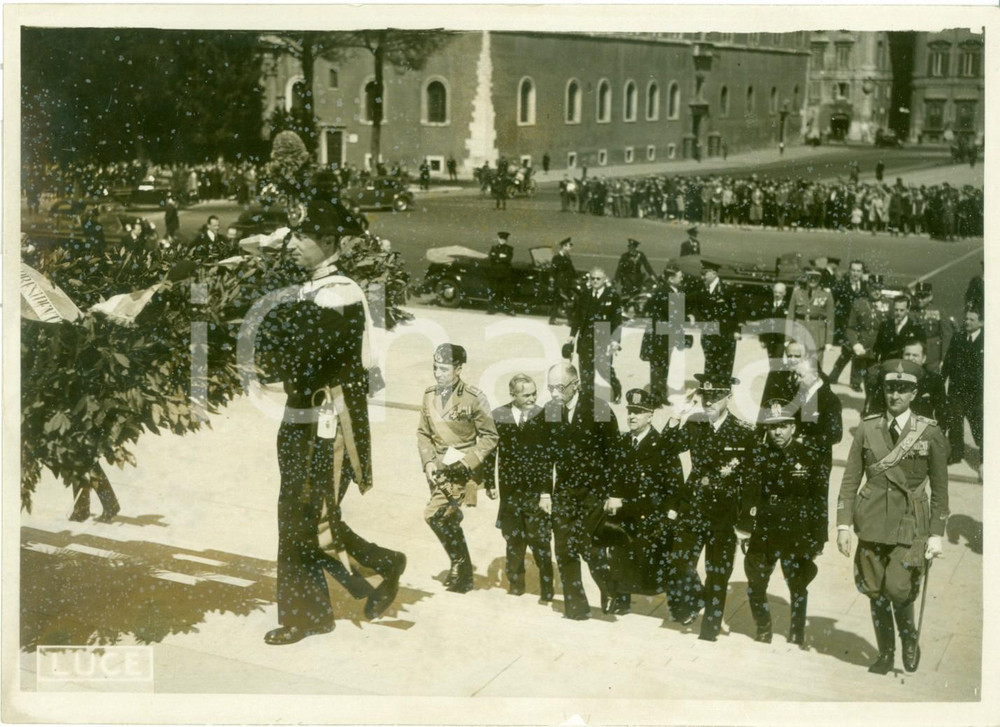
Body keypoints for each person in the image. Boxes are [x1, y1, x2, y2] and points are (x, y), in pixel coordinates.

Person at [259, 261, 406, 645]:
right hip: (302, 412)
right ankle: (380, 566)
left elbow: (311, 358)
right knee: (299, 516)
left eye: (304, 234)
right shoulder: (309, 286)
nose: (292, 245)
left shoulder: (339, 293)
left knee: (310, 517)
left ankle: (311, 614)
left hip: (329, 416)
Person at [836, 359, 948, 674]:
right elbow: (849, 480)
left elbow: (940, 490)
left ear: (914, 393)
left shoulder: (930, 432)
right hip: (871, 520)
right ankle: (886, 653)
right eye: (890, 388)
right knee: (873, 588)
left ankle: (909, 639)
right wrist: (843, 524)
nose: (895, 395)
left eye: (903, 389)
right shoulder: (867, 427)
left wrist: (937, 533)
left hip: (910, 523)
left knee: (898, 587)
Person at [668, 374, 757, 641]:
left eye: (715, 397)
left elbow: (752, 481)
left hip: (725, 512)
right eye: (705, 396)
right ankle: (697, 599)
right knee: (680, 561)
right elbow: (668, 449)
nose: (709, 402)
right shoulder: (696, 424)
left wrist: (746, 523)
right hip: (693, 506)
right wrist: (676, 417)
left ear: (728, 397)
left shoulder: (743, 431)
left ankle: (709, 631)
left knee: (718, 573)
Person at [737, 399, 828, 645]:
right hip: (764, 529)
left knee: (798, 584)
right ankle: (763, 628)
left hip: (796, 530)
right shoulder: (757, 455)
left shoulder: (809, 457)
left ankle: (797, 632)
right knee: (755, 583)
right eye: (772, 426)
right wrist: (744, 529)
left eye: (783, 426)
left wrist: (819, 537)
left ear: (793, 428)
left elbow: (819, 499)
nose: (777, 432)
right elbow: (749, 493)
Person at [417, 344, 499, 594]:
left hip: (461, 472)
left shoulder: (474, 398)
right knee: (447, 518)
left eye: (443, 369)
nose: (437, 373)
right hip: (437, 470)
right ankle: (462, 575)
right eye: (435, 368)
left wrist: (468, 462)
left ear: (458, 369)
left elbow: (490, 436)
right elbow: (423, 433)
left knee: (433, 515)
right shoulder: (429, 395)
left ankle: (459, 563)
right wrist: (429, 461)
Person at [543, 363, 619, 620]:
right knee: (563, 549)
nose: (554, 394)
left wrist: (613, 493)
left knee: (592, 548)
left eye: (559, 387)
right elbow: (545, 458)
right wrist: (545, 493)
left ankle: (609, 587)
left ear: (575, 384)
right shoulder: (551, 410)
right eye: (550, 387)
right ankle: (575, 606)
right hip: (564, 490)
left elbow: (615, 455)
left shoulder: (599, 409)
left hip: (594, 491)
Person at [600, 389, 683, 615]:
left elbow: (674, 486)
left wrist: (670, 515)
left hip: (651, 515)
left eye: (638, 412)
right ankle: (621, 599)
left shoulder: (662, 445)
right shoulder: (623, 441)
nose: (632, 416)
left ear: (650, 416)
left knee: (658, 567)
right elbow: (612, 476)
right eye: (630, 412)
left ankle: (677, 606)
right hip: (624, 515)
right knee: (618, 556)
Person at [482, 374, 555, 602]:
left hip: (536, 493)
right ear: (512, 395)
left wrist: (545, 493)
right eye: (526, 394)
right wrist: (490, 483)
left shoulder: (544, 416)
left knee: (540, 540)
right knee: (513, 539)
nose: (532, 398)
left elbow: (548, 458)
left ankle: (547, 588)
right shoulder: (499, 415)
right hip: (510, 492)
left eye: (534, 393)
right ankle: (516, 585)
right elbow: (490, 450)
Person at [566, 267, 623, 405]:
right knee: (586, 370)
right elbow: (578, 317)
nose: (595, 281)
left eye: (598, 279)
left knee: (604, 369)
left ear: (604, 279)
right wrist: (572, 335)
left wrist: (615, 340)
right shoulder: (585, 295)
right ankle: (587, 397)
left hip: (603, 336)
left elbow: (617, 321)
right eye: (592, 278)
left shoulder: (612, 296)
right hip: (586, 337)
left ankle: (616, 389)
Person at [640, 265, 689, 402]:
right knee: (658, 366)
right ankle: (655, 396)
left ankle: (660, 394)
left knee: (664, 365)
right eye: (679, 277)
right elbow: (671, 314)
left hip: (666, 334)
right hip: (659, 335)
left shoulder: (671, 291)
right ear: (671, 279)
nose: (681, 279)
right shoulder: (663, 292)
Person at [941, 306, 983, 466]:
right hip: (956, 390)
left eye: (972, 320)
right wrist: (942, 380)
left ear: (980, 322)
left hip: (976, 393)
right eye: (966, 319)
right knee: (955, 424)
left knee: (978, 426)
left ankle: (985, 456)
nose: (967, 322)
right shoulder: (957, 337)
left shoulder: (987, 340)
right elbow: (949, 360)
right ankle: (956, 454)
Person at [789, 357, 843, 472]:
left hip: (818, 462)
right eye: (796, 375)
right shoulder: (798, 391)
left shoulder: (830, 400)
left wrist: (804, 440)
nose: (797, 380)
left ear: (814, 376)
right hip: (794, 457)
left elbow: (835, 435)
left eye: (801, 376)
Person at [841, 275, 888, 403]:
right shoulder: (859, 303)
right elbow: (850, 328)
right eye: (873, 288)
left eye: (879, 288)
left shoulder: (888, 305)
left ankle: (871, 404)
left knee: (875, 380)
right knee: (861, 379)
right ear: (868, 288)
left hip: (878, 348)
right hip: (862, 348)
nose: (877, 291)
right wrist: (855, 344)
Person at [692, 259, 740, 381]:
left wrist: (737, 330)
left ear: (714, 273)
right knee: (709, 365)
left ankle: (721, 394)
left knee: (724, 367)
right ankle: (709, 394)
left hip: (725, 335)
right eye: (701, 274)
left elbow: (737, 311)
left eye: (705, 274)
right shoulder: (701, 289)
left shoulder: (727, 289)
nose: (702, 277)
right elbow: (697, 307)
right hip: (708, 335)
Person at [829, 260, 868, 388]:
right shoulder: (842, 285)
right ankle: (833, 376)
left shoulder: (865, 287)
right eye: (853, 270)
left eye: (858, 271)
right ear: (849, 271)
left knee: (858, 353)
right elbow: (832, 302)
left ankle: (855, 382)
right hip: (846, 324)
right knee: (846, 352)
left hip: (861, 325)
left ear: (862, 272)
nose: (855, 273)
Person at [788, 269, 835, 365]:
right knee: (797, 364)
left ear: (820, 279)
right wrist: (787, 338)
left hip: (817, 335)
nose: (813, 280)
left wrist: (829, 341)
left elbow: (830, 319)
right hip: (799, 332)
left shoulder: (826, 294)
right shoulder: (797, 292)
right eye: (810, 277)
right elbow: (790, 316)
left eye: (816, 278)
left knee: (815, 366)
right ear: (806, 278)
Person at [909, 282, 954, 374]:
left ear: (930, 297)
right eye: (918, 296)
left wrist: (943, 359)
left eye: (923, 297)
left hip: (933, 355)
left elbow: (947, 335)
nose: (920, 300)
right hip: (916, 353)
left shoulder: (938, 311)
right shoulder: (911, 311)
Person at [873, 294, 923, 363]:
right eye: (896, 310)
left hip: (907, 365)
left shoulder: (916, 328)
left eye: (902, 310)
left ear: (907, 310)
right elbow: (878, 347)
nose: (898, 313)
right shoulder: (885, 325)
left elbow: (920, 351)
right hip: (888, 365)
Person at [548, 237, 577, 324]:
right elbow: (553, 271)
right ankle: (570, 321)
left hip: (566, 282)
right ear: (564, 246)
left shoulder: (567, 257)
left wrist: (576, 276)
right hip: (561, 283)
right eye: (569, 246)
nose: (570, 248)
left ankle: (552, 320)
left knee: (558, 302)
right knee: (566, 300)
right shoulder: (557, 258)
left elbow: (571, 270)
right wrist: (554, 282)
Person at [487, 231, 516, 316]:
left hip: (505, 274)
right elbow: (491, 258)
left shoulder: (510, 249)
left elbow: (508, 259)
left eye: (504, 239)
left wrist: (498, 257)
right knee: (493, 291)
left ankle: (509, 310)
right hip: (495, 274)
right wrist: (501, 257)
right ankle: (491, 309)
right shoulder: (493, 248)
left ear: (506, 240)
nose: (502, 240)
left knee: (507, 293)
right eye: (501, 238)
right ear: (498, 239)